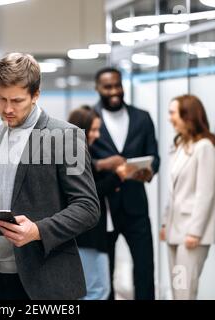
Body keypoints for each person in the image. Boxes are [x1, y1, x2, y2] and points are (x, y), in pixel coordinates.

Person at [0, 53, 100, 300]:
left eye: (17, 100)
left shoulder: (66, 137)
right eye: (1, 98)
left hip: (48, 280)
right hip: (0, 277)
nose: (7, 109)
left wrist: (38, 230)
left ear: (36, 95)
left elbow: (88, 207)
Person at [90, 67, 160, 300]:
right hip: (103, 210)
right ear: (98, 88)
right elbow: (81, 161)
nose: (114, 91)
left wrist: (149, 171)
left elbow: (154, 156)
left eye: (117, 85)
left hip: (135, 206)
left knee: (144, 268)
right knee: (104, 271)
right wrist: (104, 164)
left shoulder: (142, 117)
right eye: (107, 86)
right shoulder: (90, 118)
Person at [159, 95, 215, 300]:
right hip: (175, 231)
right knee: (178, 289)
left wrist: (195, 232)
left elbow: (205, 193)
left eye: (172, 113)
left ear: (188, 116)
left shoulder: (205, 148)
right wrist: (165, 223)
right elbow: (173, 191)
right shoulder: (180, 147)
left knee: (185, 292)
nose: (169, 118)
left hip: (190, 234)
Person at [68, 106, 129, 300]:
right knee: (97, 290)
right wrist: (117, 177)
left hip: (91, 234)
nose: (97, 134)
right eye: (93, 129)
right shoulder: (75, 155)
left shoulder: (80, 153)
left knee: (96, 288)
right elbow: (88, 193)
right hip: (86, 235)